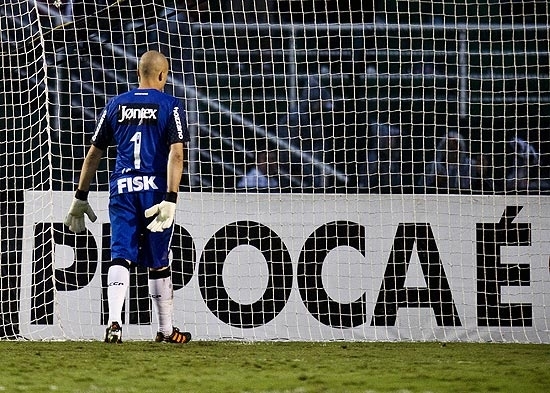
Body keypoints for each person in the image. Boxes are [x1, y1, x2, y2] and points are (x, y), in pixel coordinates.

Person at [64, 50, 192, 344]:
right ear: (163, 75)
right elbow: (177, 153)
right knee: (158, 259)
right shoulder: (170, 105)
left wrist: (80, 196)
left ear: (138, 74)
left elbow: (94, 153)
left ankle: (114, 323)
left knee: (121, 254)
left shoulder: (115, 104)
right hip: (155, 192)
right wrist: (171, 198)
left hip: (122, 189)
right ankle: (165, 329)